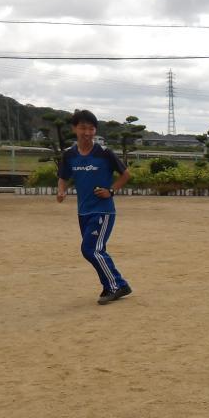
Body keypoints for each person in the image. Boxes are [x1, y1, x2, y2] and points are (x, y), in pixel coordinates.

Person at [57, 109, 132, 304]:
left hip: (103, 210)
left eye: (91, 128)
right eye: (83, 128)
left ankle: (117, 285)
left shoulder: (104, 153)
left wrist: (112, 191)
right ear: (74, 129)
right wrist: (61, 190)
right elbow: (63, 176)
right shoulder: (69, 155)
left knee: (90, 249)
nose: (87, 132)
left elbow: (126, 174)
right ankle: (111, 285)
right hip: (83, 211)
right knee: (97, 250)